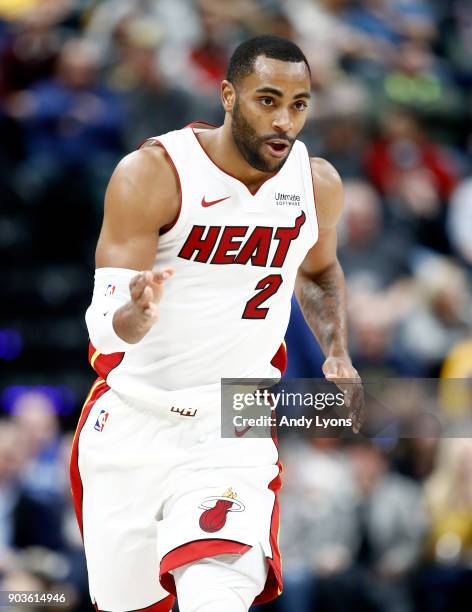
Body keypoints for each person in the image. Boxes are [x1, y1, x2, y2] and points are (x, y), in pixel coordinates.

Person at [70, 35, 364, 612]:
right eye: (268, 100)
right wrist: (136, 314)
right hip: (134, 417)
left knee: (216, 597)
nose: (284, 120)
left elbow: (319, 271)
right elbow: (102, 325)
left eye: (299, 104)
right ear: (228, 95)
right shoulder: (153, 173)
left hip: (237, 419)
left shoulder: (315, 183)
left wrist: (337, 350)